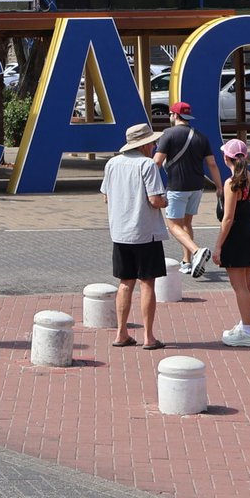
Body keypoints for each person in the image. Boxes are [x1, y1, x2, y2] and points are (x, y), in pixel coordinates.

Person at [101, 122, 170, 350]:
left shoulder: (112, 163)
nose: (154, 146)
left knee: (125, 283)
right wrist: (165, 201)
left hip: (120, 232)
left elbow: (105, 196)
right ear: (143, 145)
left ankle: (121, 333)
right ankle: (149, 336)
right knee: (147, 283)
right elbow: (154, 199)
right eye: (152, 143)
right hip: (145, 232)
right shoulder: (147, 165)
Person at [153, 101, 222, 278]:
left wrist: (148, 184)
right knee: (186, 224)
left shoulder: (168, 134)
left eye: (170, 114)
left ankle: (197, 251)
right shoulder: (201, 136)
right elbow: (212, 164)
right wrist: (219, 186)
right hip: (197, 187)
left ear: (175, 115)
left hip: (177, 187)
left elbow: (157, 162)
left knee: (173, 225)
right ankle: (186, 262)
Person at [213, 139, 250, 347]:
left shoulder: (232, 183)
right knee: (248, 283)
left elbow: (228, 218)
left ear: (226, 158)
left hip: (236, 235)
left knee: (239, 286)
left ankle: (248, 331)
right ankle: (246, 324)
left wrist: (218, 245)